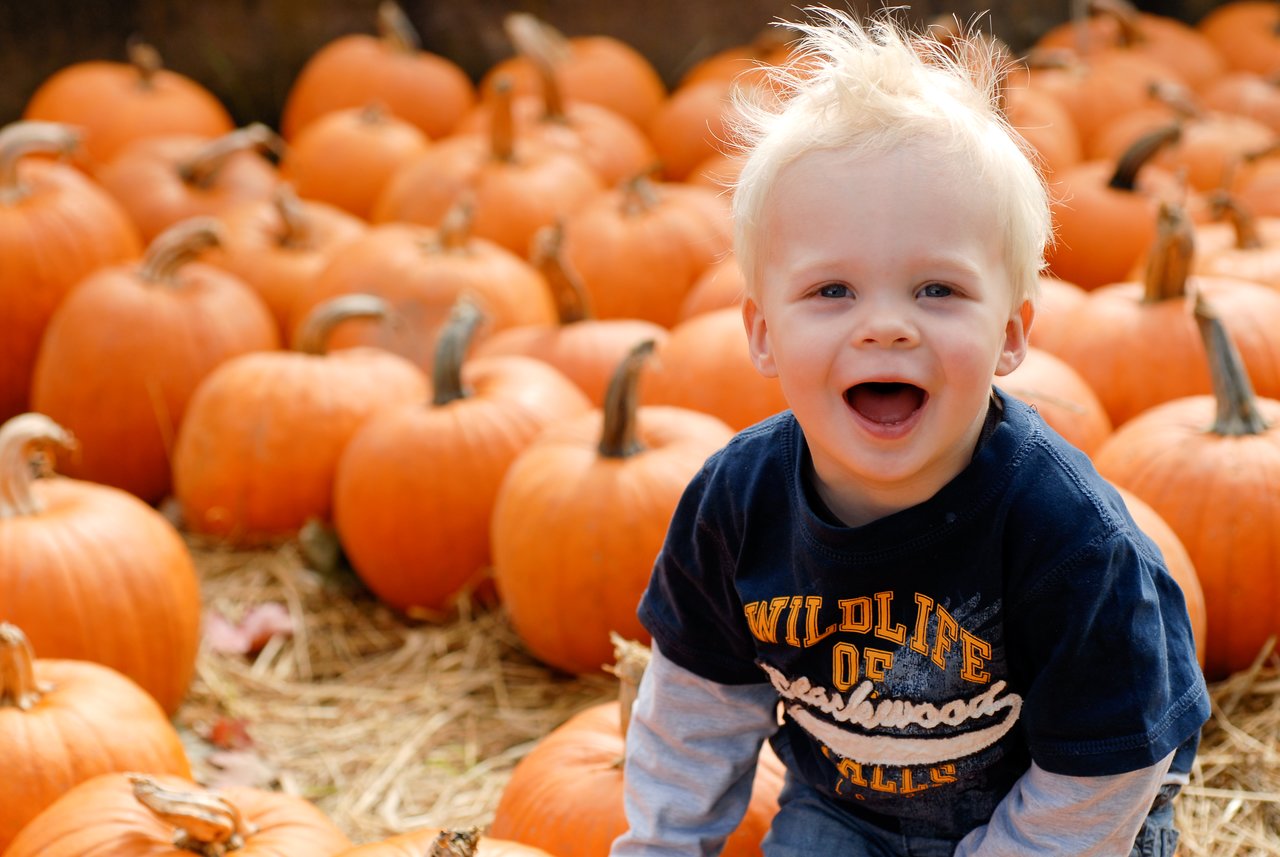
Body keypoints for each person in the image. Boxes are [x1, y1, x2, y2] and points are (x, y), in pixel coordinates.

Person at [608, 8, 1209, 857]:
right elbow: (699, 706)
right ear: (763, 332)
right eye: (832, 292)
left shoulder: (1068, 538)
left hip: (1064, 815)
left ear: (1010, 332)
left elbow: (1104, 771)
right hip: (848, 809)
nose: (885, 326)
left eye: (936, 290)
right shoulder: (736, 507)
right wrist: (663, 845)